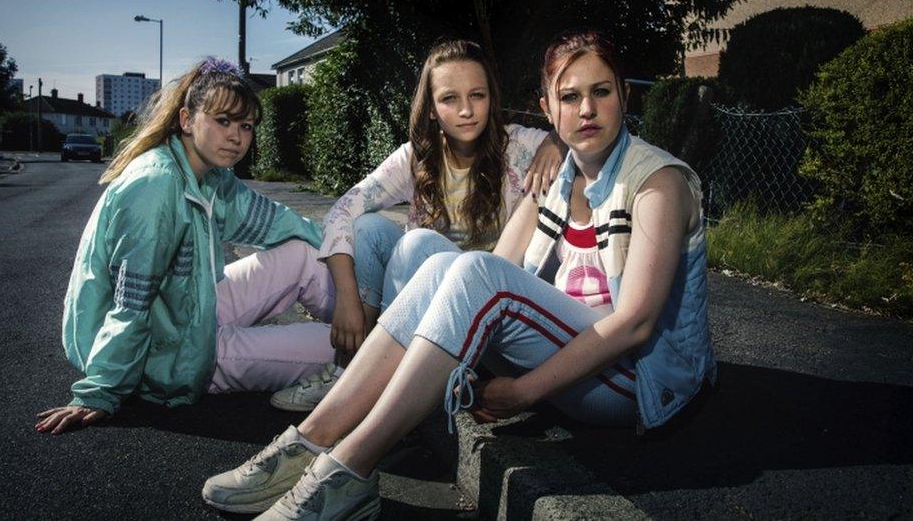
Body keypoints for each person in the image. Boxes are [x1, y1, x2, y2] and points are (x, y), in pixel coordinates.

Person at [202, 29, 716, 519]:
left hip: (634, 382)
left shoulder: (657, 183)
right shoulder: (560, 176)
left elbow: (636, 325)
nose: (585, 109)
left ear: (624, 96)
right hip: (577, 361)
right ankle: (310, 441)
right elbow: (506, 263)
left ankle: (348, 469)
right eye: (569, 96)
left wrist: (524, 391)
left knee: (470, 269)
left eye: (600, 92)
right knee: (444, 262)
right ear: (547, 108)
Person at [35, 58, 337, 435]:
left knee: (304, 253)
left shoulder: (209, 176)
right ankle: (385, 357)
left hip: (191, 310)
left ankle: (384, 329)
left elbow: (275, 221)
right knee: (338, 349)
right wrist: (101, 391)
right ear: (186, 120)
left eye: (245, 126)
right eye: (222, 121)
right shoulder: (156, 185)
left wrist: (341, 247)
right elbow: (131, 304)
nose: (236, 136)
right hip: (166, 353)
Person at [269, 39, 565, 413]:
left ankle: (363, 383)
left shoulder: (522, 146)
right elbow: (344, 209)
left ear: (492, 97)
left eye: (477, 95)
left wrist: (557, 140)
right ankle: (356, 370)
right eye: (449, 99)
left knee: (416, 245)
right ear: (430, 109)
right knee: (371, 230)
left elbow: (588, 135)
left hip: (491, 311)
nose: (466, 110)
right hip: (428, 312)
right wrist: (346, 298)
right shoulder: (417, 158)